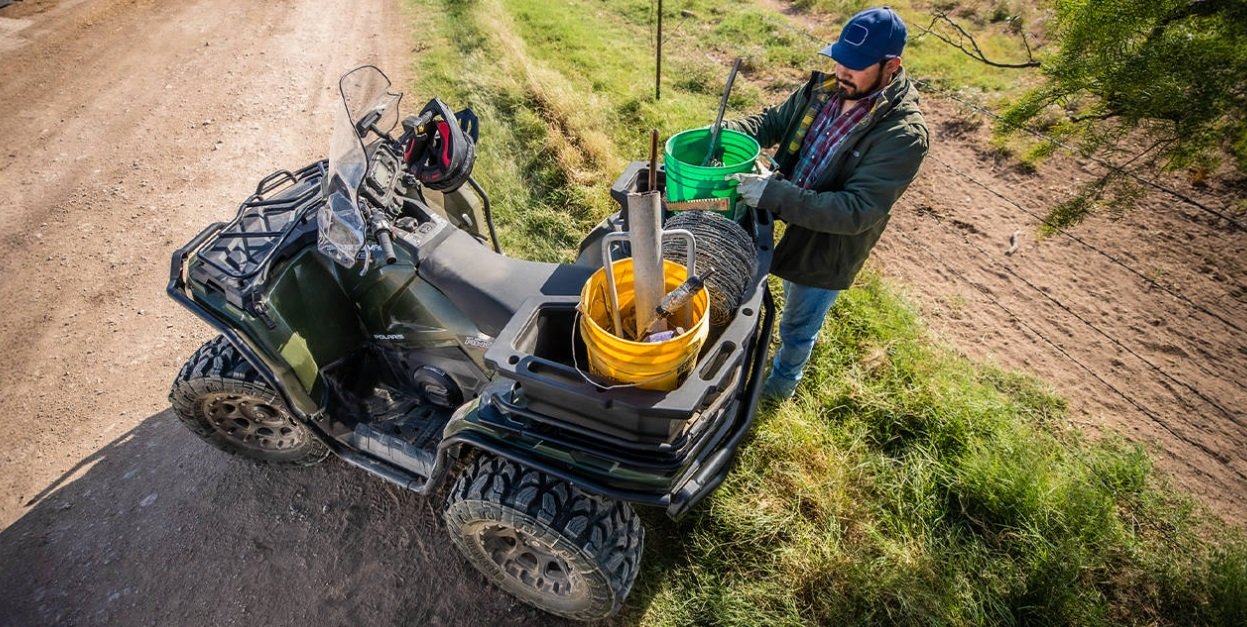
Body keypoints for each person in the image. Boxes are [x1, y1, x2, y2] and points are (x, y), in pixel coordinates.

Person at [726, 6, 928, 401]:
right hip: (782, 203)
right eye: (839, 60)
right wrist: (726, 134)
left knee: (798, 324)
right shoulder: (825, 90)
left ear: (891, 67)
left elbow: (856, 211)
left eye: (856, 66)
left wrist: (774, 194)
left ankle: (781, 386)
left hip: (828, 242)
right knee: (741, 284)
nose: (842, 72)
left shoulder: (903, 134)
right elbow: (771, 122)